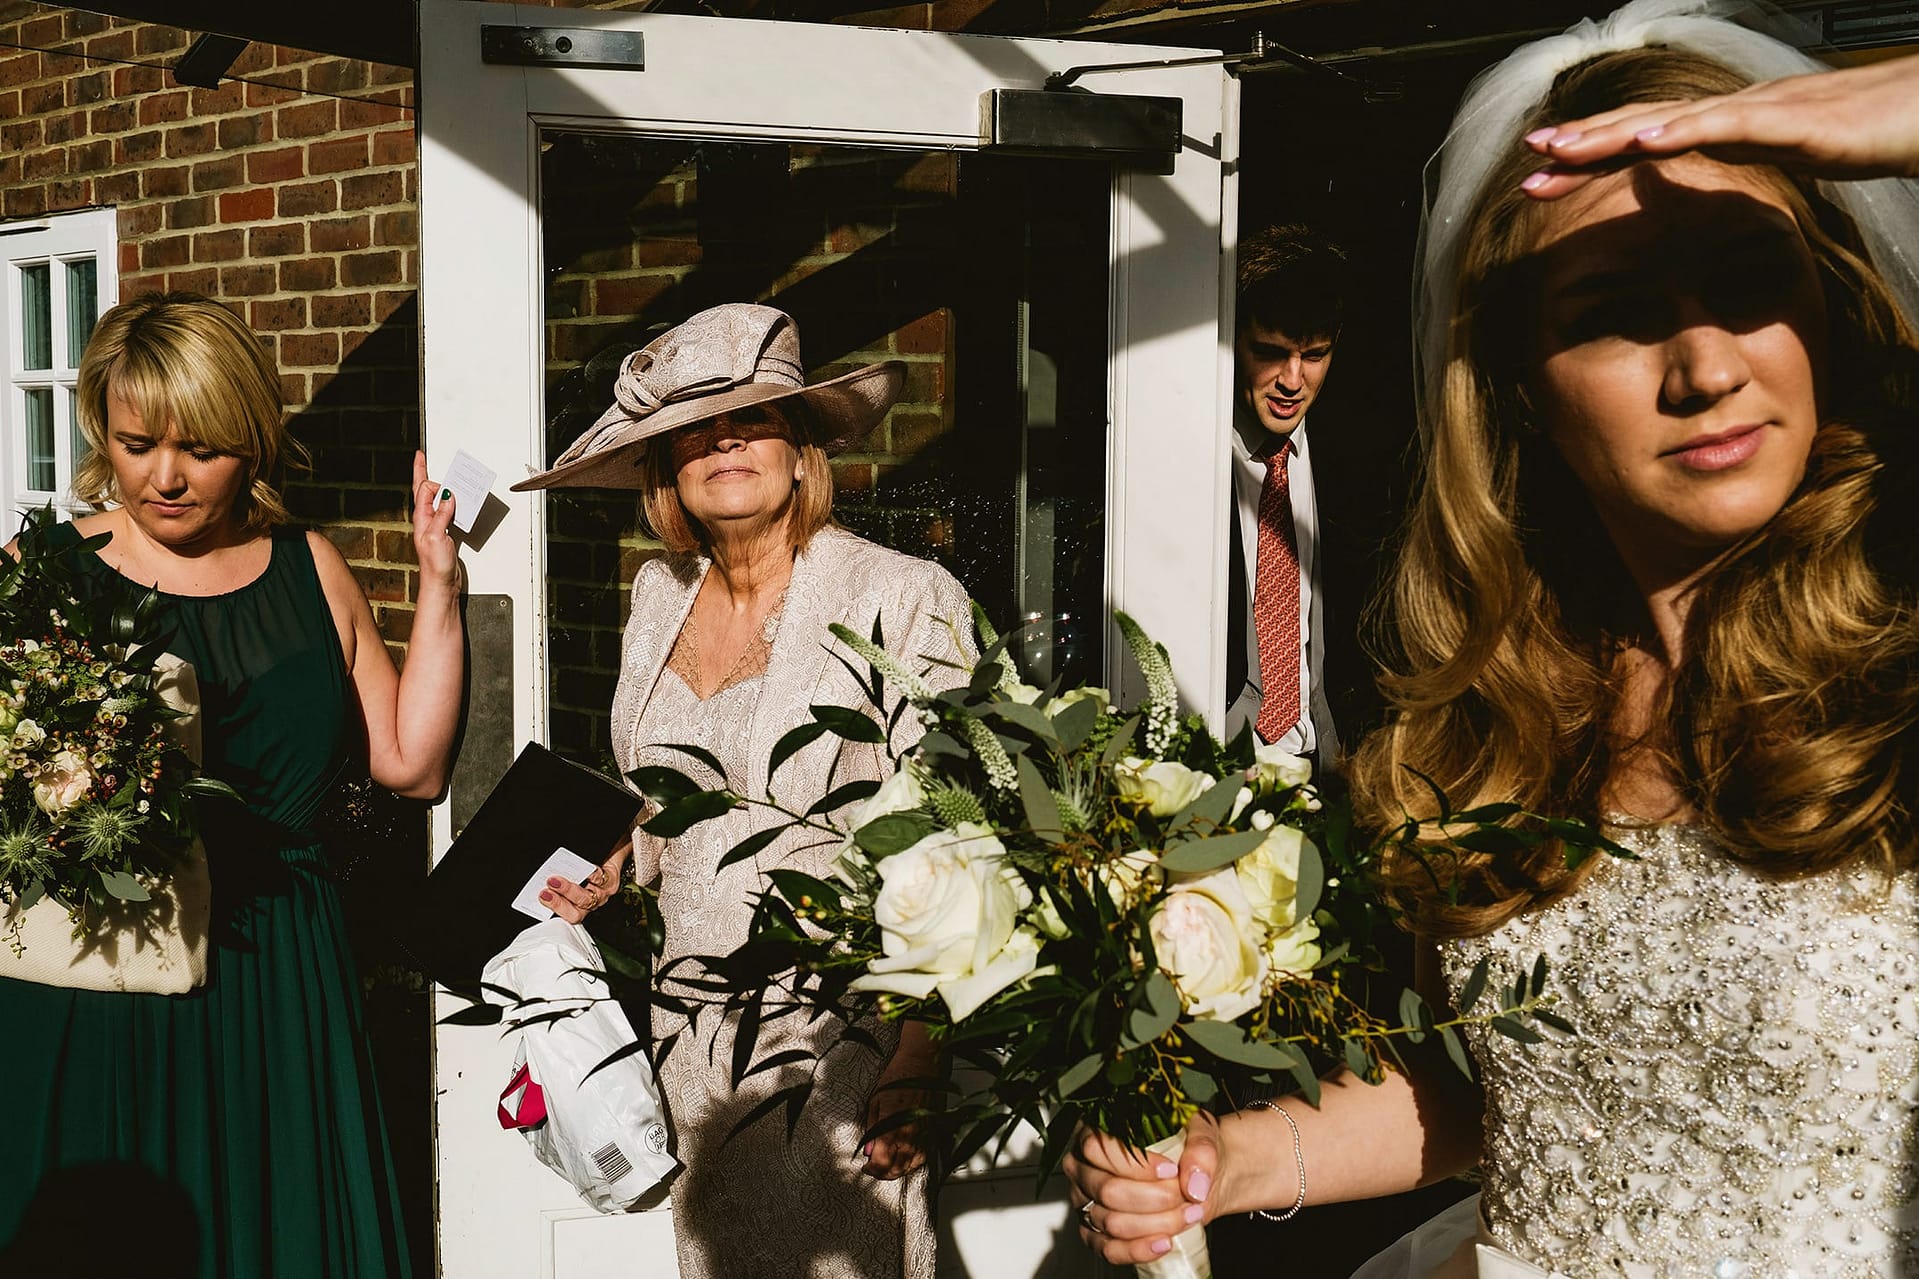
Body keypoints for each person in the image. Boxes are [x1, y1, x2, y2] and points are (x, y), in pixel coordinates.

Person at [1065, 3, 1919, 1276]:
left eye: (1748, 284)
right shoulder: (1491, 718)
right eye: (1614, 313)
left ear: (1827, 312)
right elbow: (1488, 1104)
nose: (1702, 366)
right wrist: (1226, 1161)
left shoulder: (1898, 673)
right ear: (1519, 381)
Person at [0, 292, 465, 1278]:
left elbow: (411, 764)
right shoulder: (42, 570)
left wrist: (440, 586)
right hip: (102, 969)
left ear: (250, 440)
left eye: (199, 447)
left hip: (278, 964)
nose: (163, 476)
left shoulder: (311, 565)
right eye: (135, 444)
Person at [512, 302, 973, 1279]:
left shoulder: (901, 597)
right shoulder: (655, 599)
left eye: (753, 415)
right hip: (691, 1047)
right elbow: (665, 802)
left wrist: (918, 1058)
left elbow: (959, 844)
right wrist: (618, 864)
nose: (723, 436)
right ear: (665, 463)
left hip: (842, 1056)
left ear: (801, 445)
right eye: (693, 425)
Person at [1225, 225, 1349, 765]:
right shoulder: (1187, 460)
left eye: (1314, 355)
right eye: (1271, 353)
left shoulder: (1355, 464)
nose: (1293, 381)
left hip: (1331, 769)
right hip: (1212, 769)